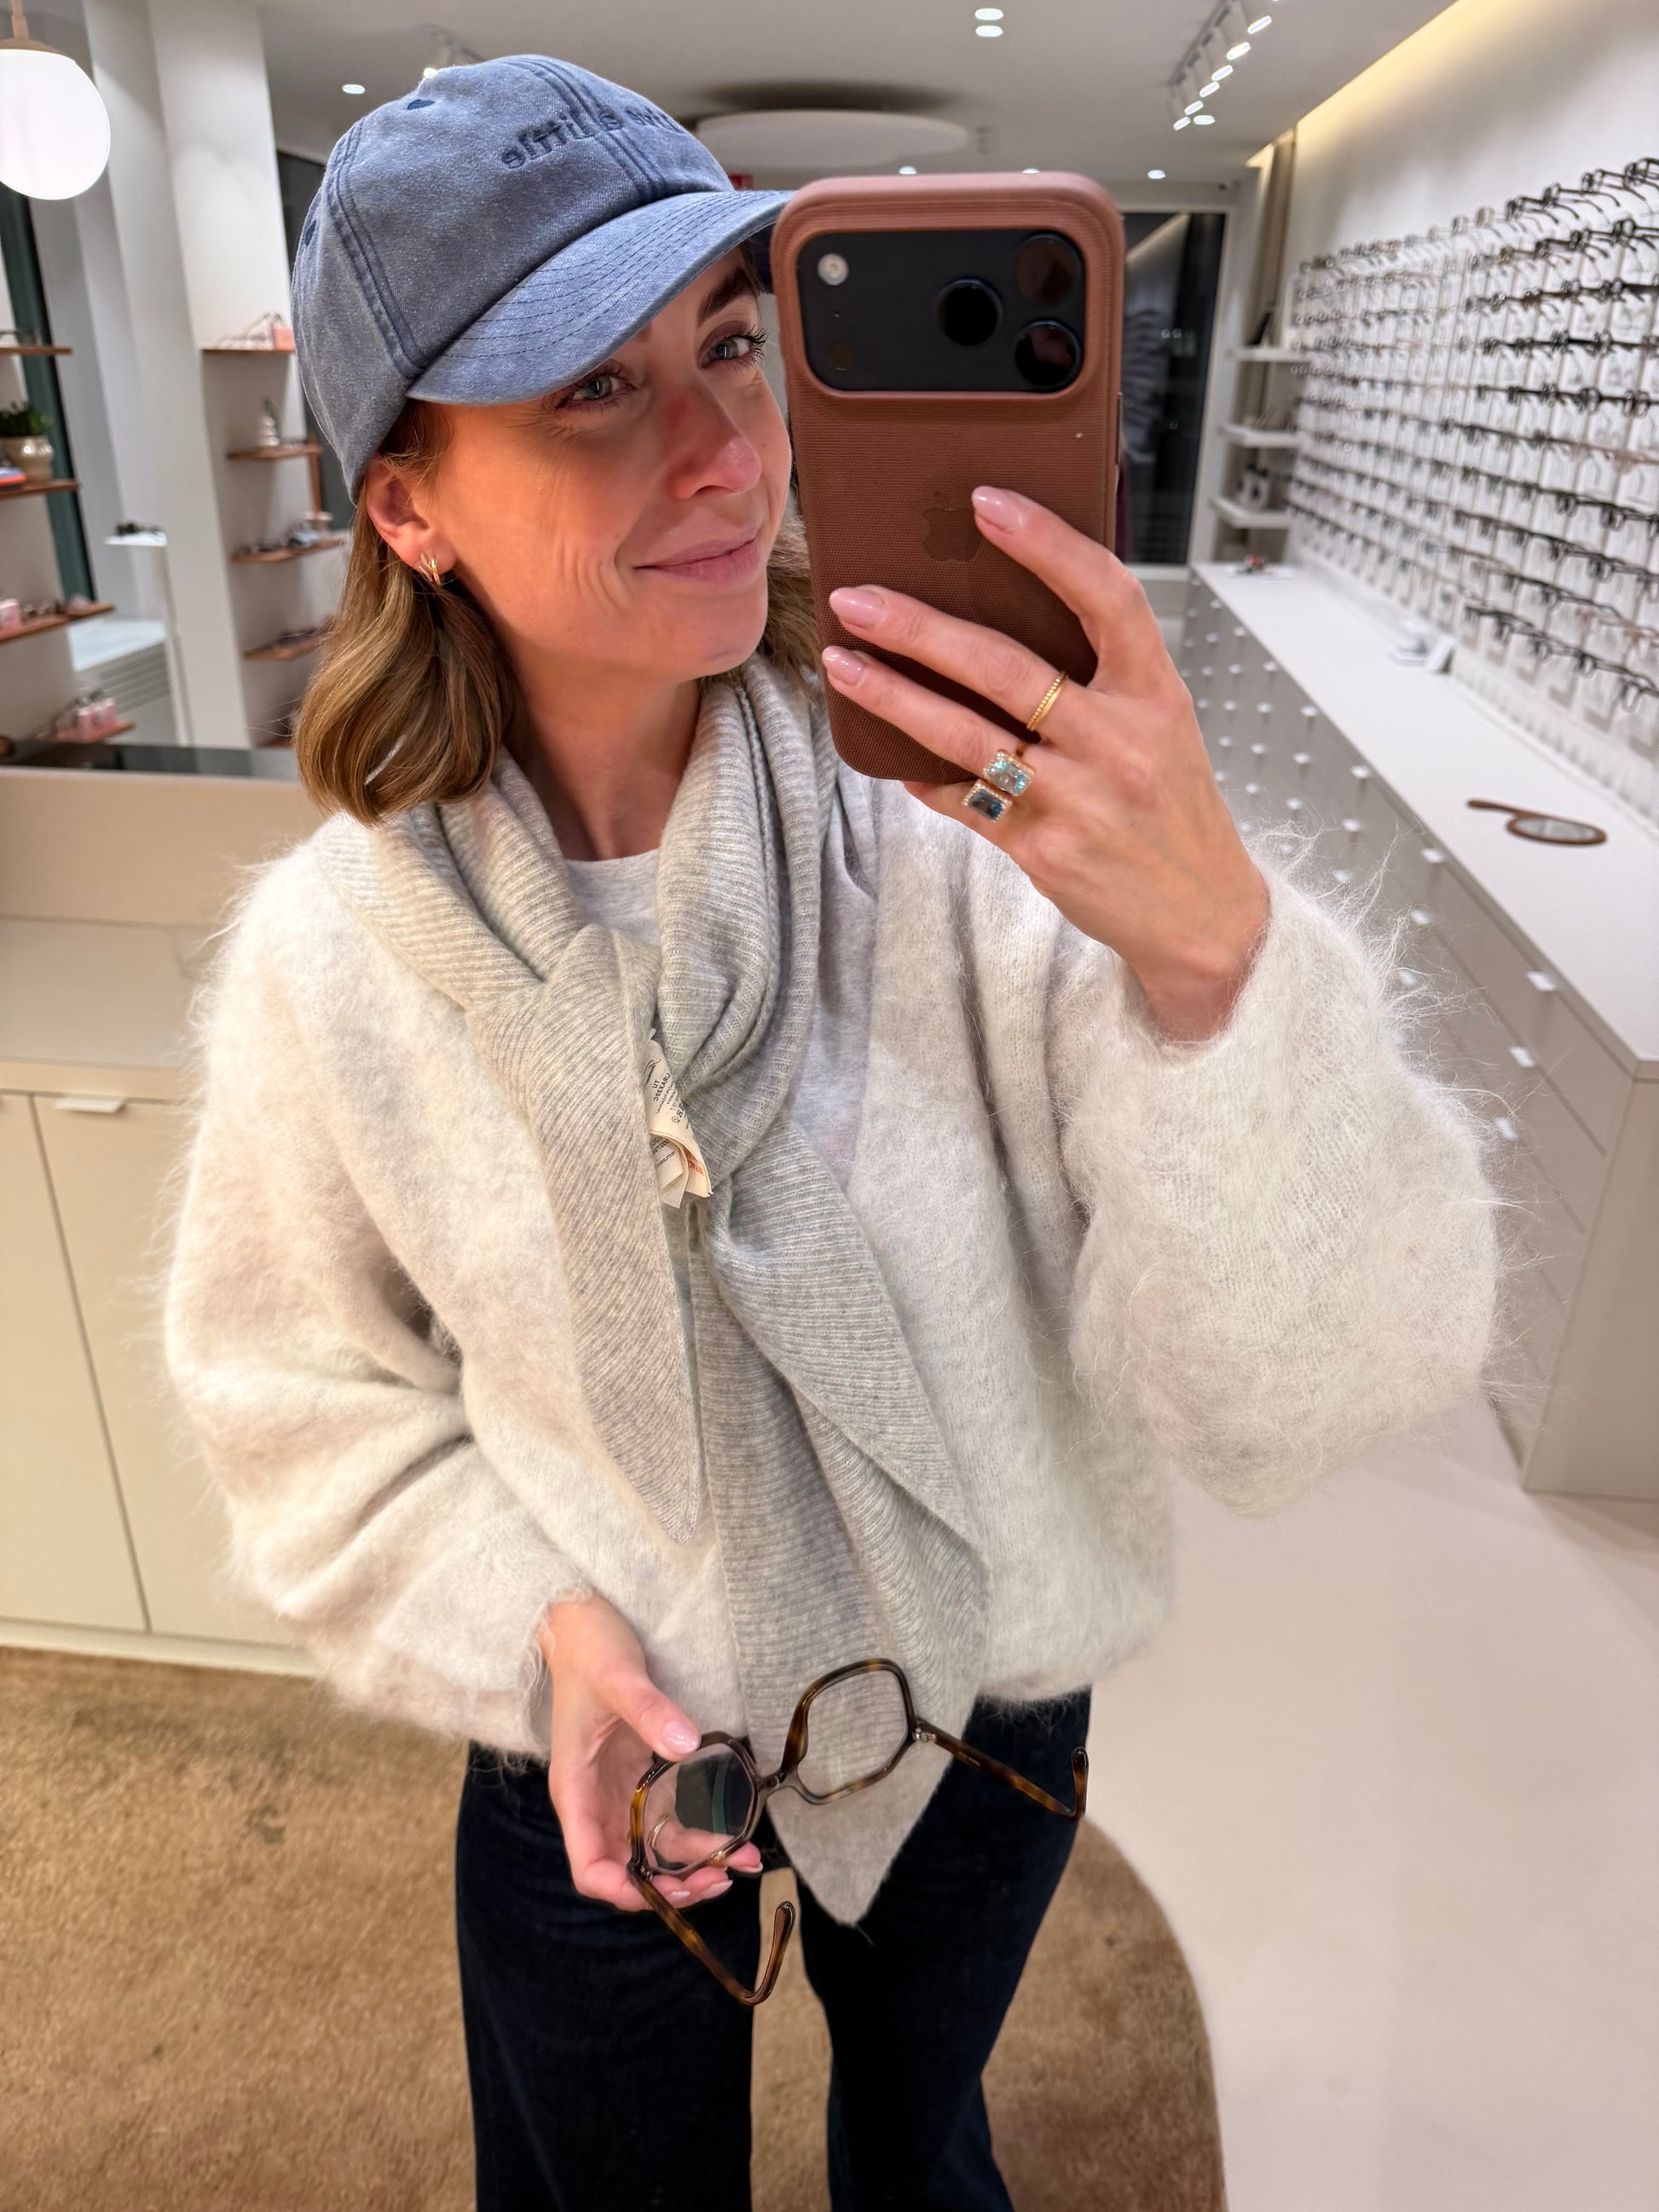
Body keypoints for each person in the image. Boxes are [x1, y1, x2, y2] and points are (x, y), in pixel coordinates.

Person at [162, 55, 1499, 2212]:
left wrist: (1214, 963)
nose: (724, 452)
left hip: (970, 1708)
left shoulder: (976, 839)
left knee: (920, 2148)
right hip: (594, 1724)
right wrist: (537, 1624)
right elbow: (292, 1386)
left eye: (727, 342)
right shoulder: (341, 957)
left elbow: (1300, 1396)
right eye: (593, 389)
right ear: (405, 505)